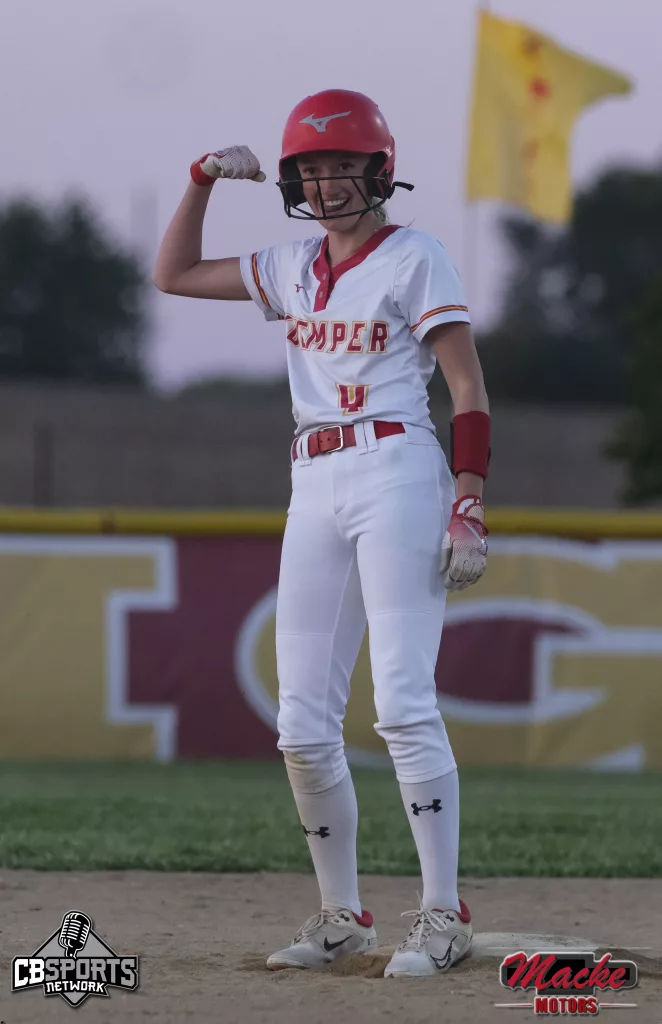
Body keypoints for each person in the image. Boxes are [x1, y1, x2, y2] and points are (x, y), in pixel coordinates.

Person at [153, 88, 490, 979]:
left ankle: (444, 913)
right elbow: (173, 275)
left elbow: (466, 387)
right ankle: (344, 914)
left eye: (342, 166)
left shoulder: (416, 255)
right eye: (309, 169)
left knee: (402, 703)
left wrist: (468, 497)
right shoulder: (293, 265)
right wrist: (200, 179)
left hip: (397, 466)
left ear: (380, 169)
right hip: (314, 474)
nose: (326, 183)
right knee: (301, 722)